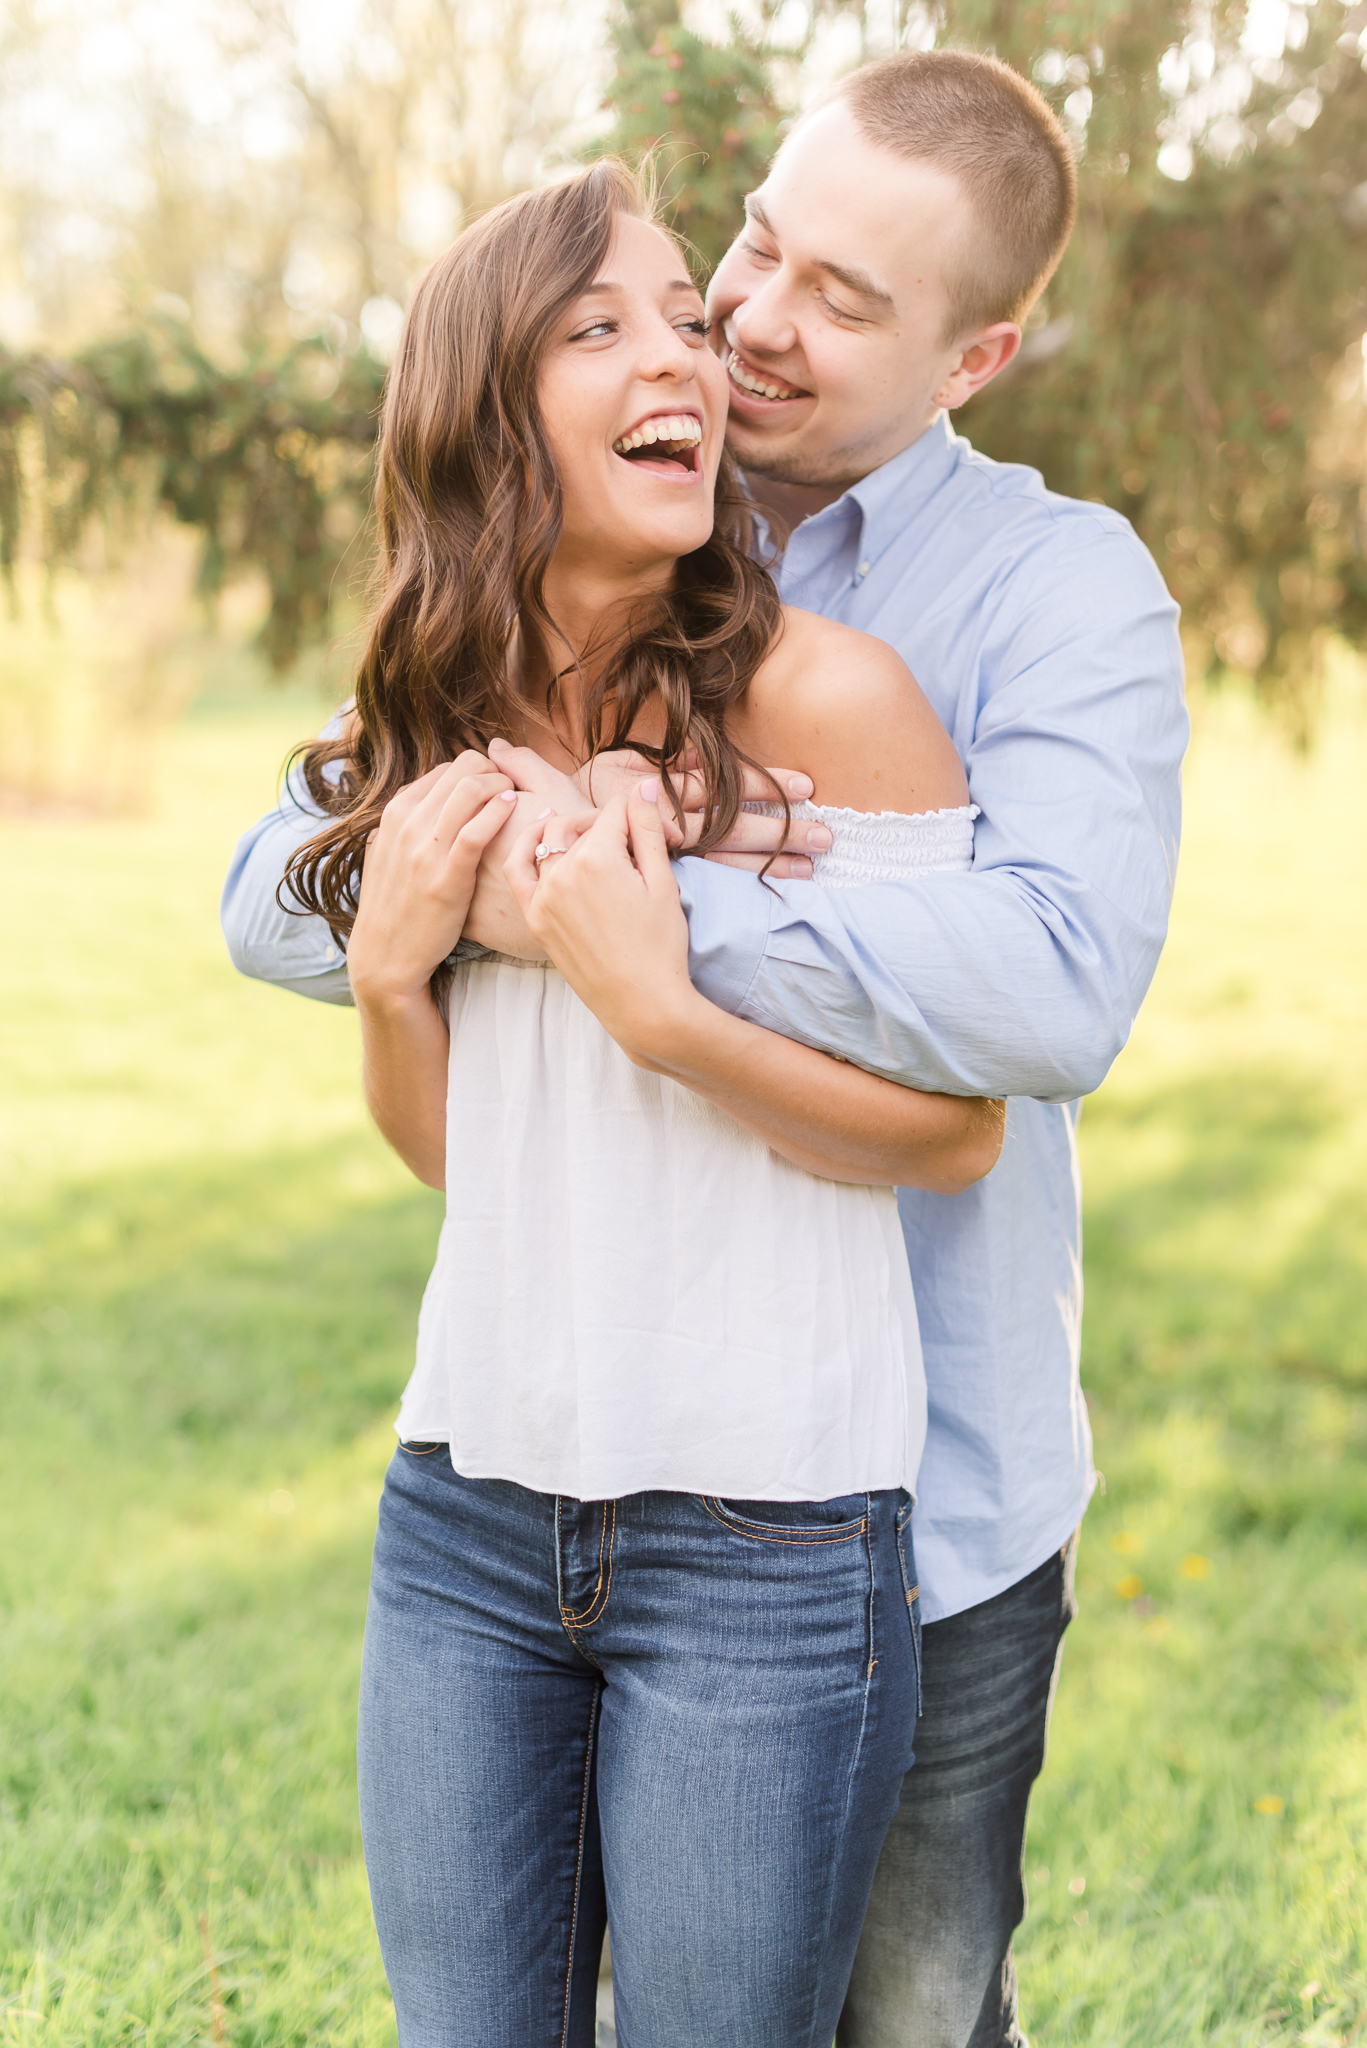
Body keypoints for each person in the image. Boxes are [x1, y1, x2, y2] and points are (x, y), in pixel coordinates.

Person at [222, 48, 1188, 2048]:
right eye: (753, 245)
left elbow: (1050, 1000)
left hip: (901, 1494)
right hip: (526, 1475)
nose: (746, 320)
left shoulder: (1039, 595)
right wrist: (449, 911)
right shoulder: (571, 554)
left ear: (976, 352)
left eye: (841, 297)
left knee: (903, 2020)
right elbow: (277, 891)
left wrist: (635, 920)